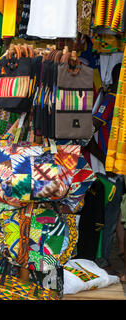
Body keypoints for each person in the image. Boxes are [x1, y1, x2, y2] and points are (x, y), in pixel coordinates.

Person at [86, 63, 124, 275]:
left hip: (118, 169)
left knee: (114, 215)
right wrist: (106, 161)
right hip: (106, 170)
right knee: (106, 217)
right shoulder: (110, 102)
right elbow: (87, 134)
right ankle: (101, 261)